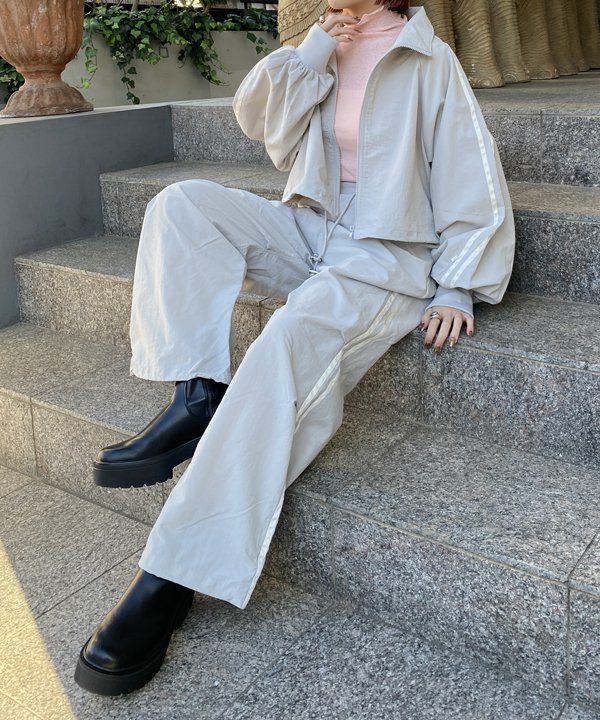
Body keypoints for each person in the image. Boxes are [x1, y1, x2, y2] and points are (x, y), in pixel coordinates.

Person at [74, 0, 515, 696]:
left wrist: (457, 284)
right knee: (182, 205)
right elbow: (258, 121)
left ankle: (169, 575)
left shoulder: (428, 58)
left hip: (385, 258)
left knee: (285, 339)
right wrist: (312, 52)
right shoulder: (325, 42)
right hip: (309, 227)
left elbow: (472, 173)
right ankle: (196, 396)